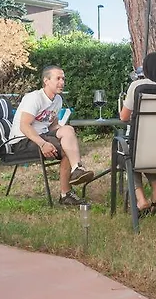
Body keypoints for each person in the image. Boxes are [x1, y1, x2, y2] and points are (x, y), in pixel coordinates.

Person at [9, 65, 94, 206]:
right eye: (58, 79)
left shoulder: (57, 100)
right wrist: (43, 144)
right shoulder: (34, 98)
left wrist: (69, 136)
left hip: (42, 135)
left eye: (63, 79)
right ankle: (66, 194)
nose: (62, 82)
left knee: (68, 130)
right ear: (46, 81)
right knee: (66, 150)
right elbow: (24, 126)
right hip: (22, 141)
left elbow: (53, 125)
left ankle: (77, 169)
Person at [119, 52, 156, 216]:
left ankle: (141, 200)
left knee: (130, 153)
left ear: (146, 69)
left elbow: (124, 117)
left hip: (141, 146)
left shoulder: (138, 86)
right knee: (144, 152)